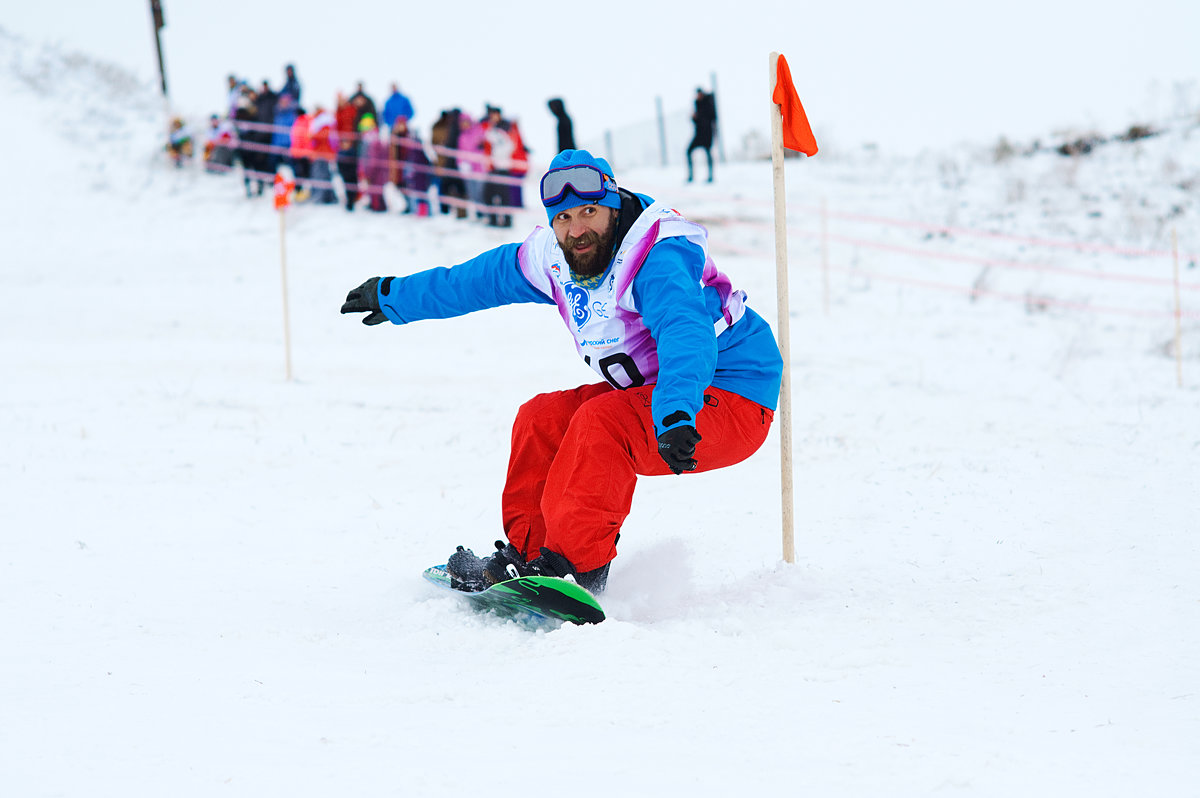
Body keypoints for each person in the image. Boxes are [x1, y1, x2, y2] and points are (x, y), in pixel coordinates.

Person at [340, 149, 782, 594]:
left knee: (602, 424)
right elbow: (475, 281)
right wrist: (395, 297)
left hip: (727, 393)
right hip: (668, 391)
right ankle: (530, 557)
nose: (577, 230)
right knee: (542, 418)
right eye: (564, 217)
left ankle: (577, 567)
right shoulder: (555, 258)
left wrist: (674, 412)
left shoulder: (655, 255)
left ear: (612, 206)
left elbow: (684, 330)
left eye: (590, 212)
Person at [686, 87, 717, 183]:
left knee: (708, 153)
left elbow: (712, 117)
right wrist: (694, 118)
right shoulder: (697, 104)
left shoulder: (709, 103)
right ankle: (691, 176)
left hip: (707, 134)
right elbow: (697, 121)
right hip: (698, 134)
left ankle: (711, 176)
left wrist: (698, 117)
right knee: (688, 151)